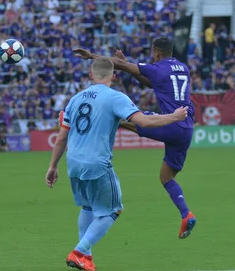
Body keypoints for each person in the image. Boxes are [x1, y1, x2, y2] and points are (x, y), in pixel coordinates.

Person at [45, 57, 188, 271]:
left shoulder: (75, 99)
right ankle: (79, 251)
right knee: (114, 210)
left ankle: (87, 257)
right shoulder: (115, 98)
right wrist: (174, 116)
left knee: (88, 206)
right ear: (113, 76)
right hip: (97, 163)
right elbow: (144, 121)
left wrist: (52, 166)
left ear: (91, 75)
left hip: (73, 163)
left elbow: (62, 137)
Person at [73, 38, 198, 240]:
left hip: (169, 123)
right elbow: (151, 81)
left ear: (156, 53)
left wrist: (93, 56)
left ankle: (111, 122)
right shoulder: (182, 68)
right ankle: (186, 214)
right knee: (166, 177)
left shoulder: (157, 68)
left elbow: (123, 66)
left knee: (131, 118)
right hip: (186, 128)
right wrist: (128, 66)